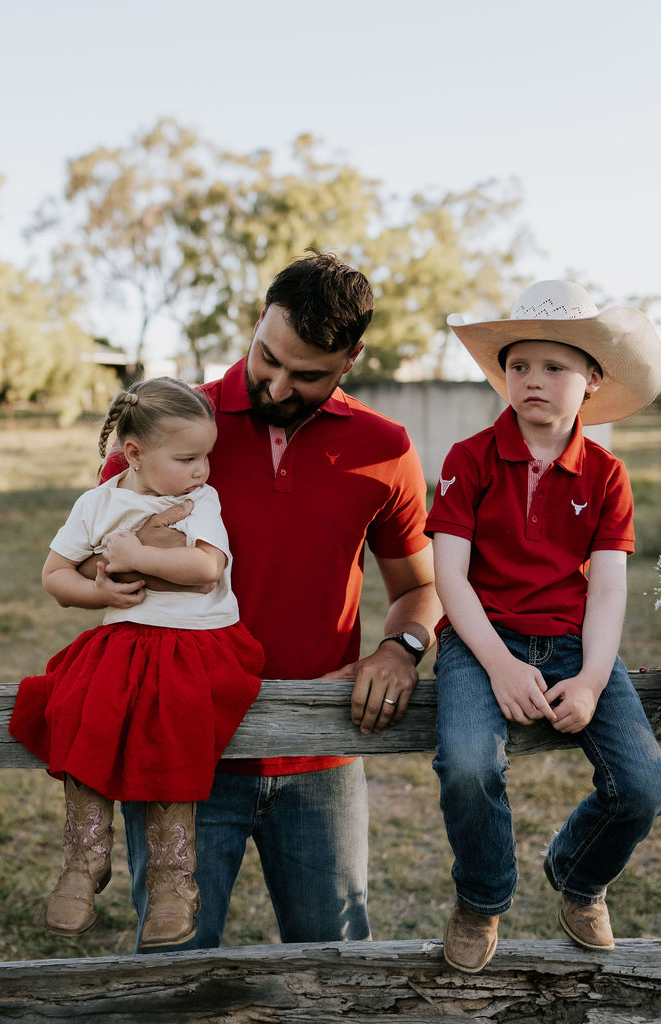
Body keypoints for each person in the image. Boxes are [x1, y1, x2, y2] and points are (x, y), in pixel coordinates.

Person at [97, 250, 440, 950]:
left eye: (306, 375)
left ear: (351, 359)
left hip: (322, 750)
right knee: (173, 969)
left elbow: (419, 587)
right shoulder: (163, 430)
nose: (278, 386)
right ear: (259, 319)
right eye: (267, 357)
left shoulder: (385, 448)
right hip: (180, 749)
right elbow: (100, 573)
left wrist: (399, 649)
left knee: (335, 967)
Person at [426, 279, 661, 973]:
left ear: (592, 380)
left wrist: (590, 679)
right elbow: (450, 577)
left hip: (572, 641)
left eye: (554, 366)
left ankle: (579, 875)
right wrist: (499, 664)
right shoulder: (468, 458)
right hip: (480, 638)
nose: (532, 379)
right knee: (468, 764)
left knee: (643, 782)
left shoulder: (607, 474)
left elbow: (608, 587)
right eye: (519, 365)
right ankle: (481, 897)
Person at [9, 377, 264, 949]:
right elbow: (55, 575)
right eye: (187, 459)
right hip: (129, 636)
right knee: (78, 702)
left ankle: (173, 881)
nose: (202, 470)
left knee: (172, 716)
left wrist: (135, 554)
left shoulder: (198, 502)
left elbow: (207, 570)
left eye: (206, 457)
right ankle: (84, 857)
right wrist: (99, 593)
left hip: (198, 640)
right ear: (135, 453)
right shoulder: (96, 504)